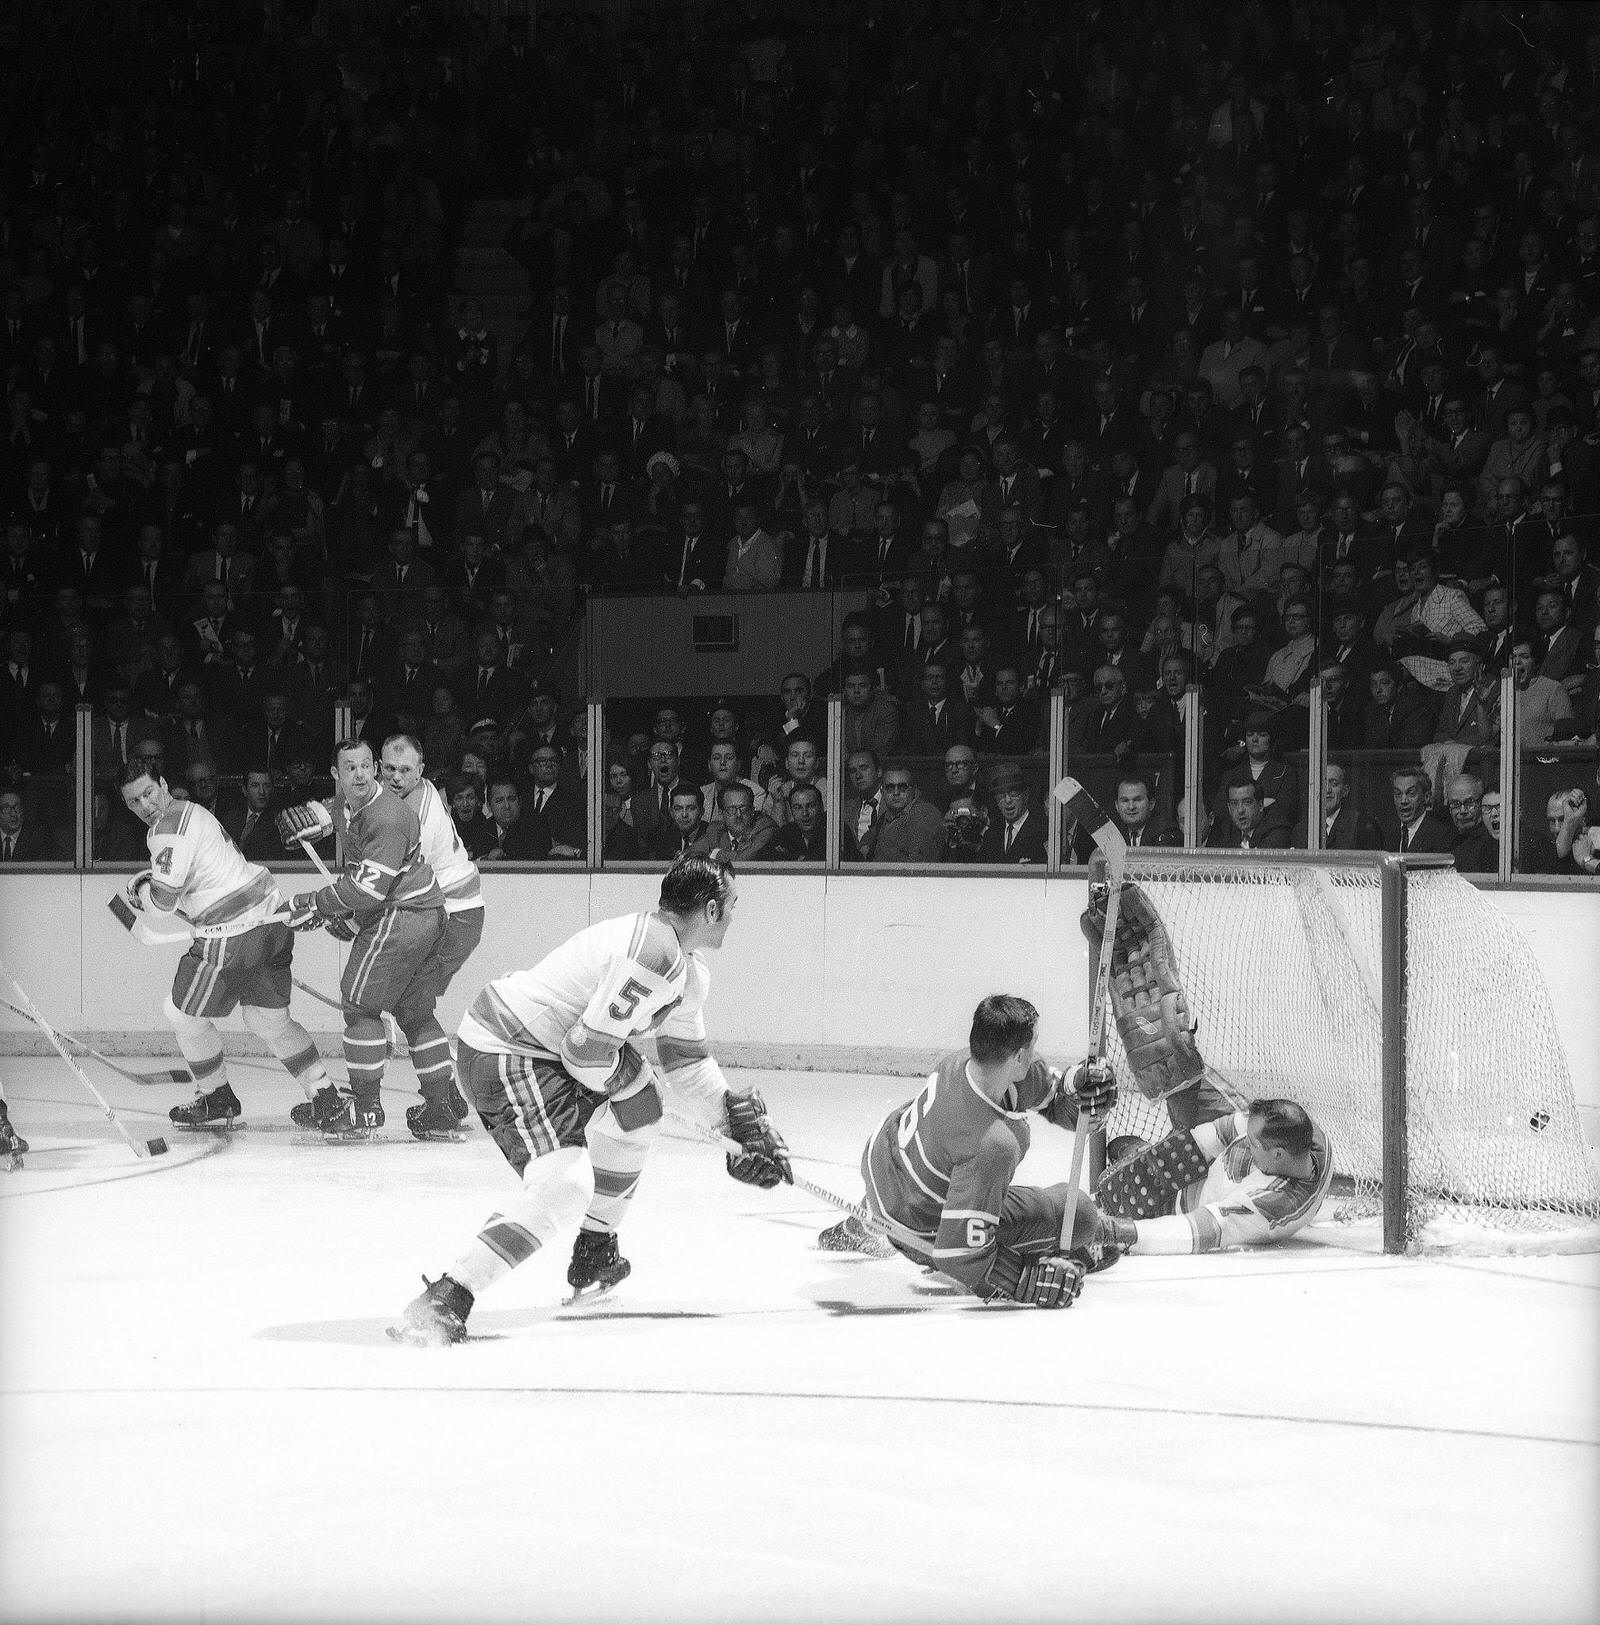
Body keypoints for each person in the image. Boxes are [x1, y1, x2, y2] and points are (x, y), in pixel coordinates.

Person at [388, 854, 793, 1344]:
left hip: (536, 1051)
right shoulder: (655, 955)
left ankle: (596, 1247)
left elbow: (685, 1061)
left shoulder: (685, 965)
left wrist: (733, 1125)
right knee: (566, 1186)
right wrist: (634, 1074)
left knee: (641, 1113)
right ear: (710, 910)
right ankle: (450, 1294)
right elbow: (585, 1052)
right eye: (731, 905)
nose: (734, 915)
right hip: (508, 1051)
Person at [816, 994, 1118, 1307]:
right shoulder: (991, 1145)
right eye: (1033, 1045)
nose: (1036, 1053)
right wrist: (1025, 1280)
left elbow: (1056, 1100)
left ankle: (863, 1223)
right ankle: (1076, 1238)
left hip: (885, 1165)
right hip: (920, 1230)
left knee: (938, 1168)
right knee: (1079, 1214)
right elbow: (958, 1253)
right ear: (1017, 1057)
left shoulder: (969, 1063)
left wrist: (1079, 1087)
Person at [1083, 881, 1334, 1252]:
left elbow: (1195, 1231)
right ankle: (1170, 1055)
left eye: (1253, 1143)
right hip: (1200, 1163)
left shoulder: (1273, 1205)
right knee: (1174, 1064)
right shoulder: (1308, 1138)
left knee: (1117, 1156)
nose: (1247, 1140)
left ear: (1276, 1156)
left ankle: (1134, 1148)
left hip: (1178, 1202)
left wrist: (1120, 1233)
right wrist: (1163, 1160)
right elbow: (1231, 1127)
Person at [116, 760, 333, 1131]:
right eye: (134, 802)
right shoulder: (192, 811)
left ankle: (216, 1096)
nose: (145, 805)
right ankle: (325, 1096)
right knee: (267, 1019)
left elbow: (164, 905)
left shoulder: (165, 831)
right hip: (270, 920)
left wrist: (142, 892)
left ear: (164, 784)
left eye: (148, 793)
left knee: (180, 1013)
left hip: (231, 937)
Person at [276, 740, 451, 1138]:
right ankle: (443, 1102)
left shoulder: (388, 817)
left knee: (359, 1006)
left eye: (366, 766)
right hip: (425, 913)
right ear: (337, 774)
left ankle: (366, 1109)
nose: (360, 774)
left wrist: (317, 904)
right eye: (349, 767)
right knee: (414, 1012)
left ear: (375, 768)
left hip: (400, 916)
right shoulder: (348, 803)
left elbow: (369, 891)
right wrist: (311, 815)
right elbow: (330, 812)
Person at [378, 734, 487, 1133]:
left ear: (420, 771)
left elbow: (393, 880)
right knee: (413, 1006)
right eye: (389, 768)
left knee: (412, 1007)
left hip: (453, 916)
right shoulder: (406, 799)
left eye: (405, 770)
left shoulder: (415, 812)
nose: (395, 776)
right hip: (448, 912)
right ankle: (445, 1095)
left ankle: (443, 1097)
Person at [1444, 773, 1500, 873]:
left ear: (1482, 803)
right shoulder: (1446, 839)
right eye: (1456, 804)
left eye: (1469, 803)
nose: (1462, 811)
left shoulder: (1491, 844)